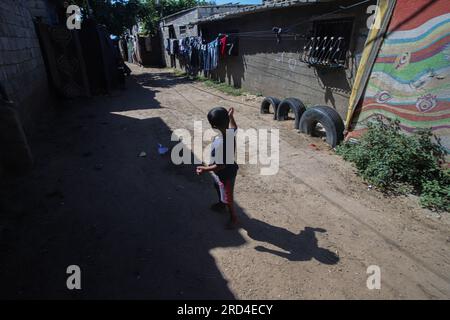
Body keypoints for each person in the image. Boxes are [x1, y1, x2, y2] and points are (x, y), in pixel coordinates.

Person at [196, 107, 239, 229]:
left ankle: (233, 217)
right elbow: (235, 127)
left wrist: (204, 169)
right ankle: (221, 204)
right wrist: (231, 117)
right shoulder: (229, 133)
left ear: (213, 126)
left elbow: (220, 166)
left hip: (226, 173)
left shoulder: (222, 143)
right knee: (217, 186)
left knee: (228, 195)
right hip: (222, 172)